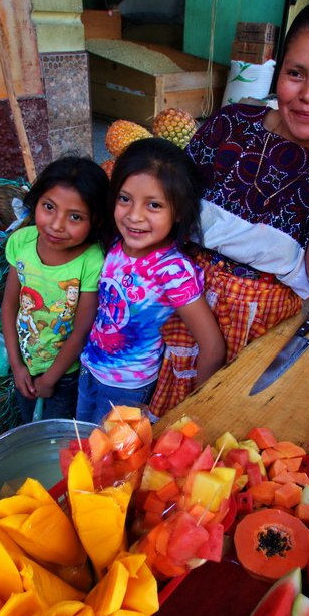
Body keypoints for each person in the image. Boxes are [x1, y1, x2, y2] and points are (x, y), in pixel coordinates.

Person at [149, 0, 309, 418]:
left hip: (261, 340)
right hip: (174, 314)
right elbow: (169, 211)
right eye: (296, 73)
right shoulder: (230, 125)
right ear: (278, 70)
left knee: (224, 447)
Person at [76, 137, 226, 424]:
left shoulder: (173, 271)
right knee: (80, 443)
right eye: (124, 199)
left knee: (106, 461)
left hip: (127, 388)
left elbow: (212, 346)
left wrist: (198, 409)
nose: (134, 216)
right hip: (90, 367)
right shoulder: (117, 244)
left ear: (179, 211)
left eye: (154, 205)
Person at [2, 155, 108, 423]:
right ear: (35, 201)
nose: (57, 224)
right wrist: (16, 365)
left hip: (66, 373)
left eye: (75, 216)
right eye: (49, 207)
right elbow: (9, 306)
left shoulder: (92, 260)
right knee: (28, 424)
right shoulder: (21, 243)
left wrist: (51, 377)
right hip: (24, 363)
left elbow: (83, 328)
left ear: (95, 220)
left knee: (57, 436)